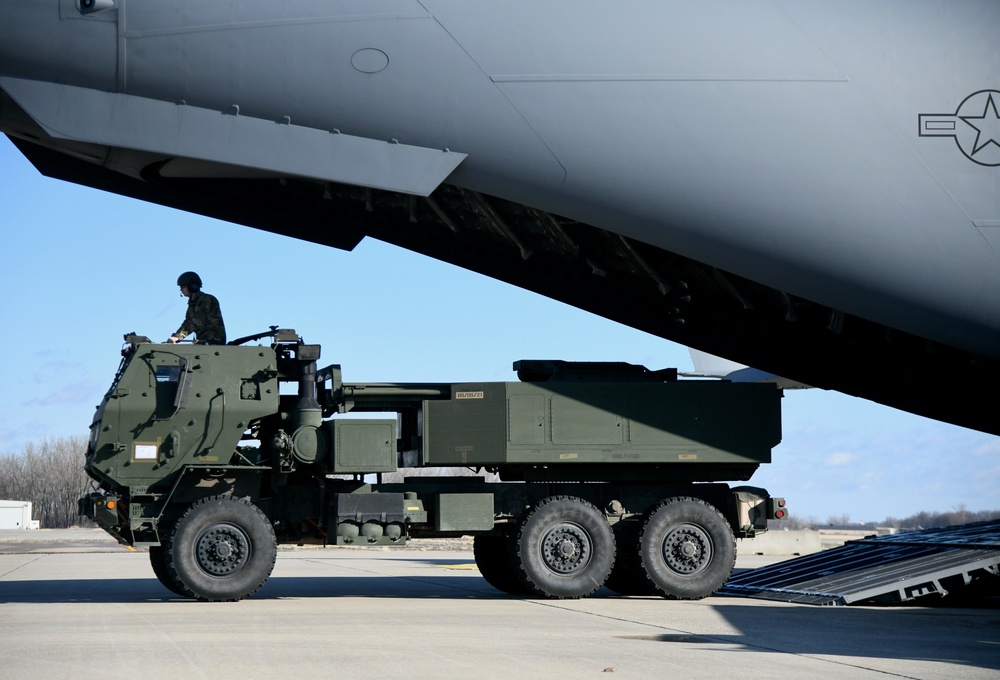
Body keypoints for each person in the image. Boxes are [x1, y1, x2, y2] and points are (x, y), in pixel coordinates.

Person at [168, 271, 227, 344]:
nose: (180, 290)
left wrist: (177, 337)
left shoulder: (206, 300)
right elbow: (187, 322)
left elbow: (195, 322)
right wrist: (176, 337)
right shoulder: (193, 304)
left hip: (213, 342)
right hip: (204, 343)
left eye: (183, 287)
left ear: (192, 286)